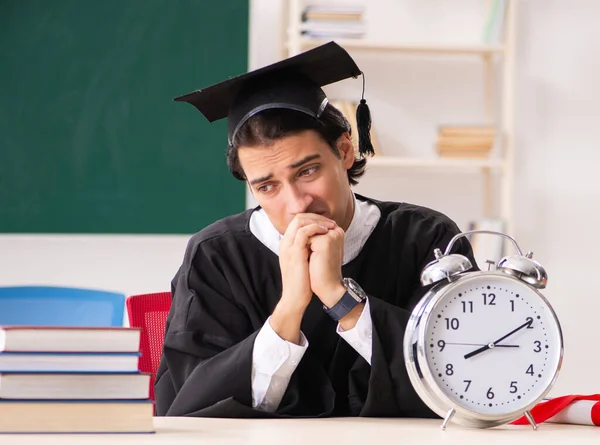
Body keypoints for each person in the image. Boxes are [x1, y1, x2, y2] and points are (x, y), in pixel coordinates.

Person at [155, 42, 475, 418]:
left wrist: (339, 298)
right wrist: (290, 306)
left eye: (307, 171)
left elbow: (467, 375)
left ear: (344, 151)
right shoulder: (216, 255)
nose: (297, 204)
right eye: (267, 186)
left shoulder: (426, 240)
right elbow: (188, 408)